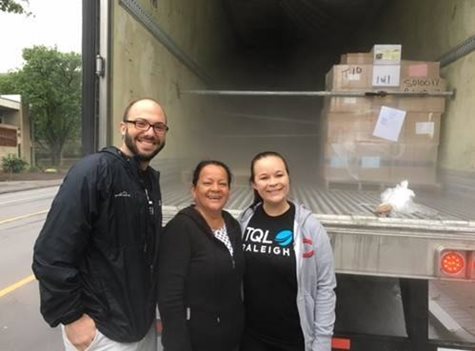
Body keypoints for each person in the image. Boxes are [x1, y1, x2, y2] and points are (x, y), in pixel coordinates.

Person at [32, 97, 169, 351]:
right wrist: (72, 317)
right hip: (103, 331)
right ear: (123, 127)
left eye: (158, 127)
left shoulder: (148, 180)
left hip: (140, 327)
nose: (150, 132)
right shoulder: (93, 171)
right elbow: (50, 254)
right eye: (141, 123)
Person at [239, 151, 336, 351]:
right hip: (250, 338)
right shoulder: (244, 222)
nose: (273, 182)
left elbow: (325, 287)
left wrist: (322, 342)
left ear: (288, 177)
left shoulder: (309, 227)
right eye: (264, 178)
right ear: (254, 184)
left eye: (279, 175)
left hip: (294, 340)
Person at [157, 160, 244, 351]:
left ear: (229, 191)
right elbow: (170, 296)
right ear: (194, 190)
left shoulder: (232, 225)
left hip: (230, 337)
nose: (216, 188)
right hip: (194, 339)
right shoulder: (180, 229)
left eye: (222, 184)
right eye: (207, 182)